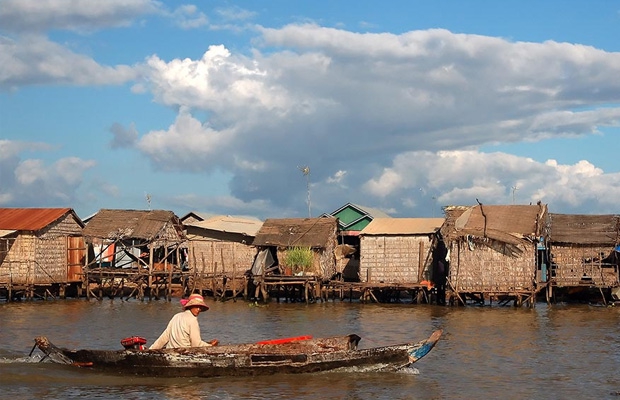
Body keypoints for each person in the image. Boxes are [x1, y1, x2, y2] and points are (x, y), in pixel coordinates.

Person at [149, 294, 218, 349]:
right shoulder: (192, 319)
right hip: (185, 352)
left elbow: (164, 338)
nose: (198, 309)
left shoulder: (176, 316)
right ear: (191, 306)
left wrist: (151, 349)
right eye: (196, 306)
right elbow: (196, 344)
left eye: (200, 307)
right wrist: (210, 346)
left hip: (171, 351)